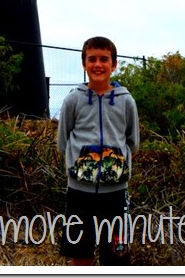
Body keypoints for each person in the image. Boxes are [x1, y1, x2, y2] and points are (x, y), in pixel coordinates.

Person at [57, 36, 140, 266]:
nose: (98, 64)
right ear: (84, 63)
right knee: (81, 253)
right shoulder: (73, 100)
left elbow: (133, 142)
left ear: (114, 64)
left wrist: (112, 166)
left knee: (116, 256)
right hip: (79, 193)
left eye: (104, 59)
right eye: (92, 59)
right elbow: (63, 142)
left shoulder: (126, 102)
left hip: (115, 194)